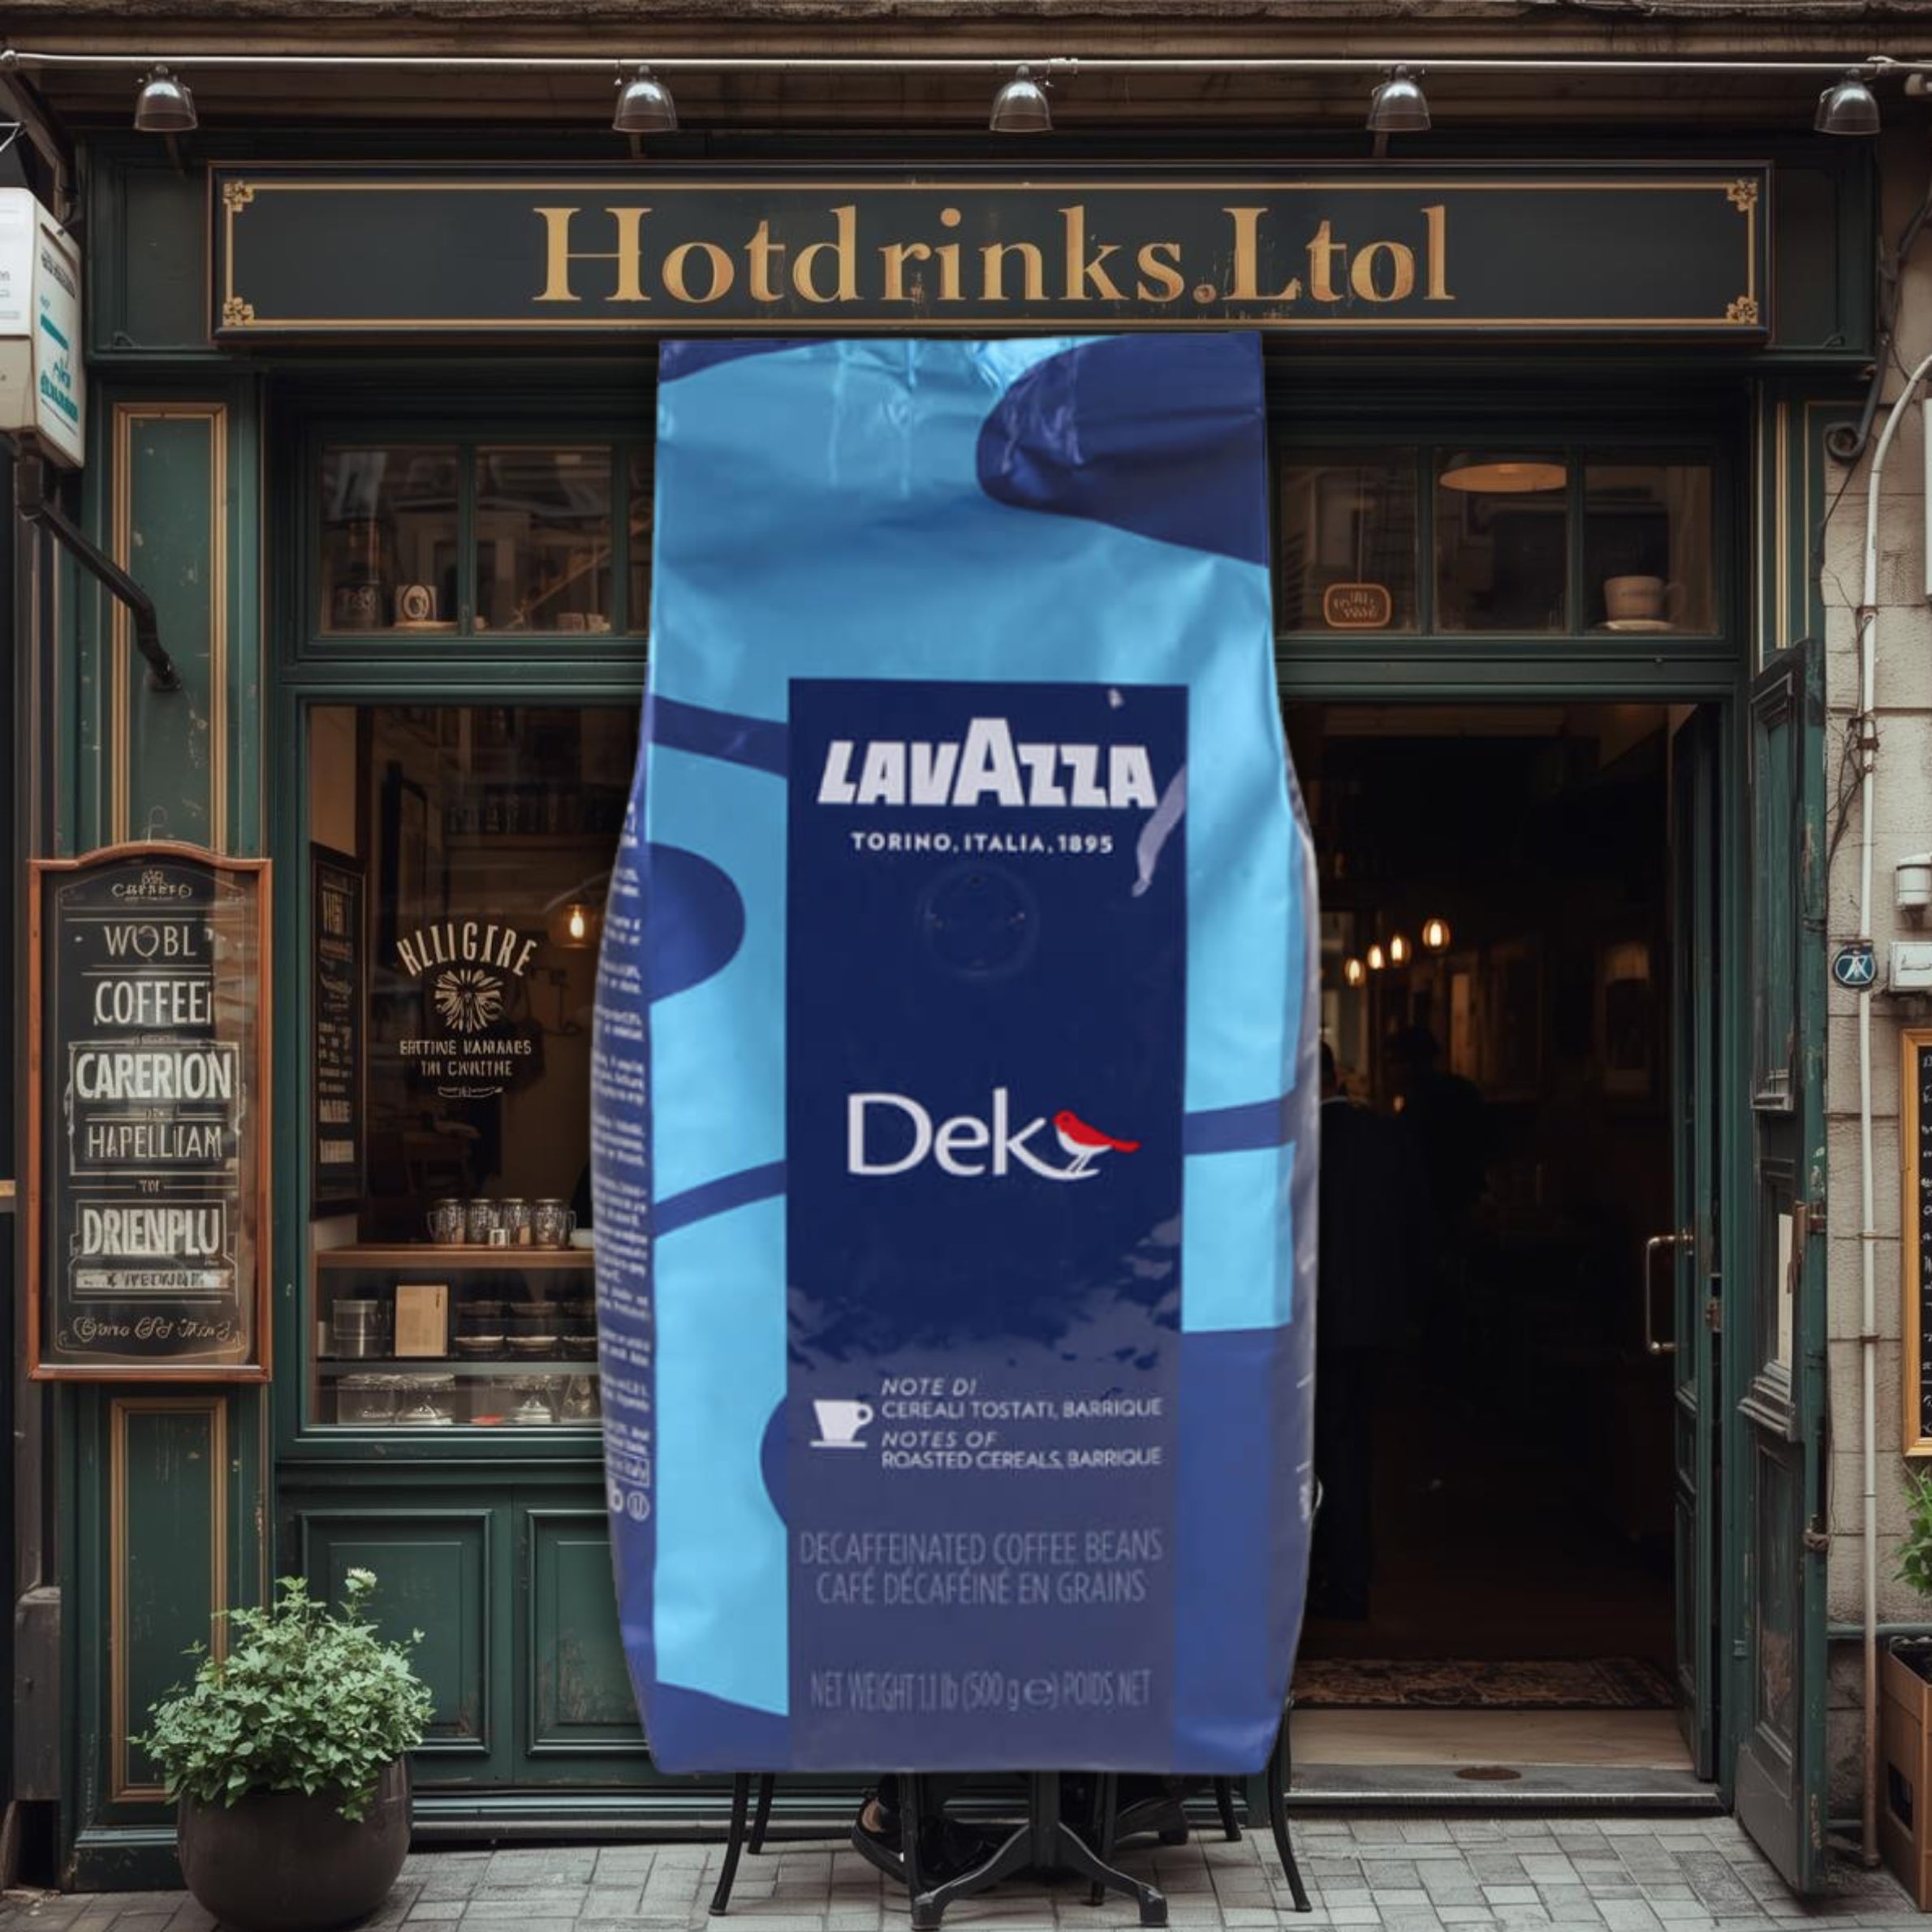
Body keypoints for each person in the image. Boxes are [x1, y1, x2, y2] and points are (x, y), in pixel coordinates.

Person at [1310, 1042, 1425, 1621]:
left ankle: (1333, 1578)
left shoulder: (1298, 1143)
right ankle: (1352, 1573)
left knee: (1322, 1451)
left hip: (1317, 1323)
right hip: (1377, 1320)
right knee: (1354, 1446)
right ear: (1337, 1077)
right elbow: (1417, 1226)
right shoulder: (1387, 1137)